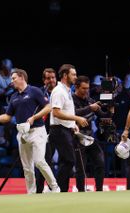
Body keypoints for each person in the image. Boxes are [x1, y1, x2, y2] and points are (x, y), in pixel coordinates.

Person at [0, 68, 60, 194]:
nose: (11, 81)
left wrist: (34, 117)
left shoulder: (34, 91)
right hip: (22, 133)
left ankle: (55, 187)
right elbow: (7, 117)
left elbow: (48, 107)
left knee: (39, 161)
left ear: (22, 77)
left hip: (37, 131)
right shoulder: (13, 96)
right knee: (27, 167)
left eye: (13, 78)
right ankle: (31, 192)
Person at [48, 64, 88, 192]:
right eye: (73, 74)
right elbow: (56, 112)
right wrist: (77, 119)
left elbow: (66, 111)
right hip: (59, 130)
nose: (76, 77)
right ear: (65, 76)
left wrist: (73, 125)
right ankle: (56, 188)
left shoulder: (67, 90)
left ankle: (62, 191)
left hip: (65, 129)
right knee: (70, 161)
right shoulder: (59, 91)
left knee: (65, 161)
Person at [73, 75, 112, 192]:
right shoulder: (71, 100)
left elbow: (104, 116)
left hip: (90, 137)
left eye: (87, 88)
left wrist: (110, 109)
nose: (86, 91)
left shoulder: (90, 100)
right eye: (83, 88)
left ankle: (99, 190)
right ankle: (81, 192)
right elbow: (74, 112)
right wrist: (90, 108)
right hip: (77, 138)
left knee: (100, 162)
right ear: (76, 87)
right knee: (81, 168)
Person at [36, 68, 57, 193]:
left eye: (53, 77)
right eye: (48, 78)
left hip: (60, 130)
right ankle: (41, 190)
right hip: (44, 132)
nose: (51, 80)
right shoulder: (38, 93)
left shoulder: (61, 91)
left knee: (67, 160)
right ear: (44, 80)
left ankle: (58, 188)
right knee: (45, 162)